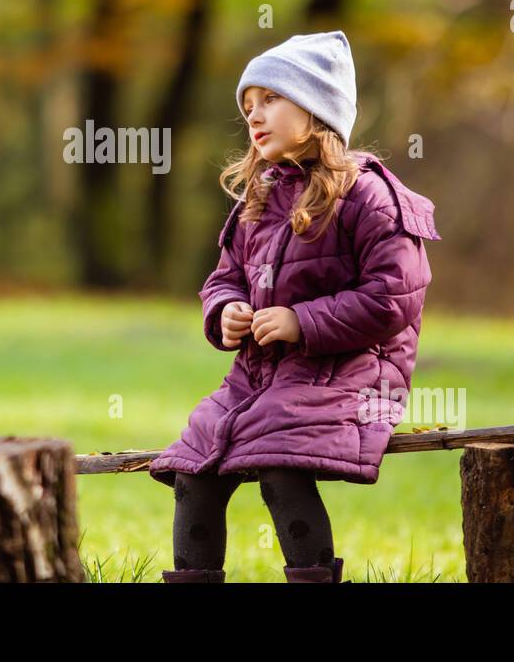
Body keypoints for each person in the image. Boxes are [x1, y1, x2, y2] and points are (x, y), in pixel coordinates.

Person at [148, 31, 441, 583]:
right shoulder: (259, 198)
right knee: (194, 469)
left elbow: (393, 296)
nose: (254, 116)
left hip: (350, 374)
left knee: (282, 464)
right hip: (259, 376)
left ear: (317, 109)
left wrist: (300, 322)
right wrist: (227, 310)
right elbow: (223, 278)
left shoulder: (368, 195)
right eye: (248, 106)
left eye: (271, 100)